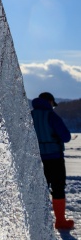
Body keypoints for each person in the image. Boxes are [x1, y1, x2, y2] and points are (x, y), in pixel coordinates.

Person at [31, 91, 74, 230]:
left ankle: (38, 223)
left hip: (37, 159)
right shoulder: (51, 115)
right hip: (54, 157)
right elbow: (66, 137)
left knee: (39, 190)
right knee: (58, 188)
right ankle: (60, 221)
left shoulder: (29, 116)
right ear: (49, 102)